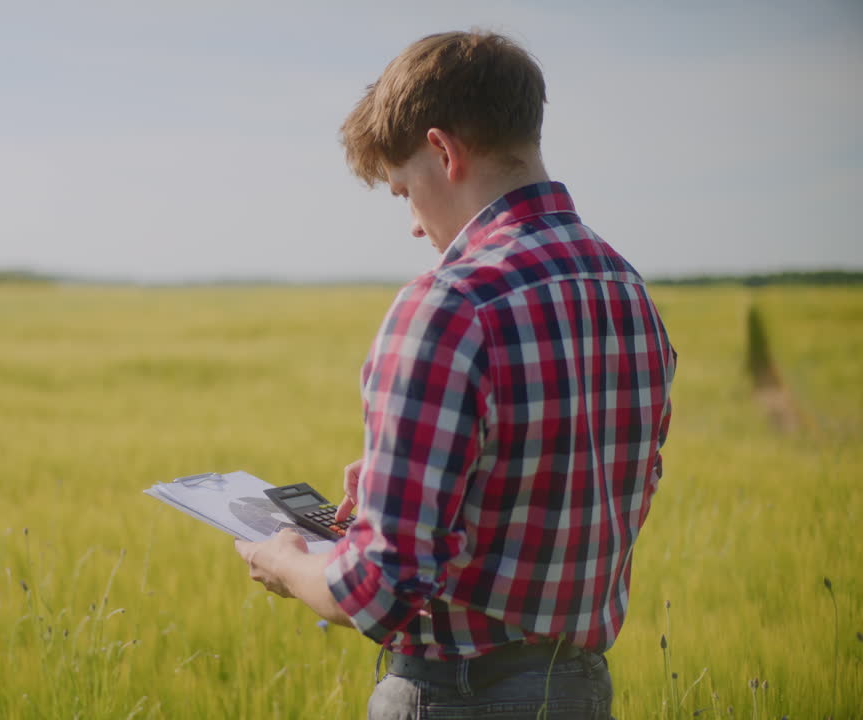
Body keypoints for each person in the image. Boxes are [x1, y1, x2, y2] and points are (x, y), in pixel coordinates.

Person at [234, 30, 676, 718]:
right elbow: (605, 484)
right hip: (580, 689)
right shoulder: (624, 286)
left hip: (457, 697)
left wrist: (286, 562)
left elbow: (380, 590)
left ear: (443, 151)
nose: (413, 223)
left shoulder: (449, 305)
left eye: (404, 188)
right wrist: (429, 475)